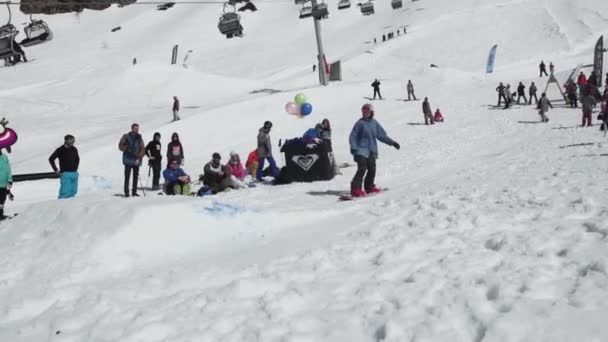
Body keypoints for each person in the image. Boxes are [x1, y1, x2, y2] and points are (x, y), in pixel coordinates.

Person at [349, 104, 400, 197]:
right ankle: (355, 189)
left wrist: (392, 143)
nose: (364, 113)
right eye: (363, 111)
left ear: (371, 112)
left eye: (366, 111)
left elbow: (381, 136)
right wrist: (353, 147)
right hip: (360, 150)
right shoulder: (359, 123)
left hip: (371, 150)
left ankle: (369, 187)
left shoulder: (374, 123)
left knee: (372, 169)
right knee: (362, 168)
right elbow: (353, 136)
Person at [48, 134, 80, 199]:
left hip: (74, 173)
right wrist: (56, 169)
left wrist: (75, 168)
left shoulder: (74, 149)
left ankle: (70, 206)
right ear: (66, 140)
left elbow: (77, 159)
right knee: (65, 192)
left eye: (73, 140)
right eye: (70, 140)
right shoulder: (60, 149)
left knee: (73, 192)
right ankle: (61, 205)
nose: (72, 142)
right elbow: (51, 159)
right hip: (65, 174)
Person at [118, 123, 145, 197]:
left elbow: (143, 149)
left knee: (135, 177)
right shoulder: (126, 136)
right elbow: (120, 146)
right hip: (128, 159)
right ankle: (126, 192)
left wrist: (139, 157)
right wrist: (126, 148)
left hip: (136, 160)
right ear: (132, 128)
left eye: (137, 128)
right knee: (127, 177)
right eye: (135, 128)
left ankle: (134, 192)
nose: (136, 129)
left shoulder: (139, 138)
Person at [0, 147, 13, 220]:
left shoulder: (5, 157)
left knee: (2, 200)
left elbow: (8, 170)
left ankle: (0, 213)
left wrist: (10, 180)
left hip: (4, 183)